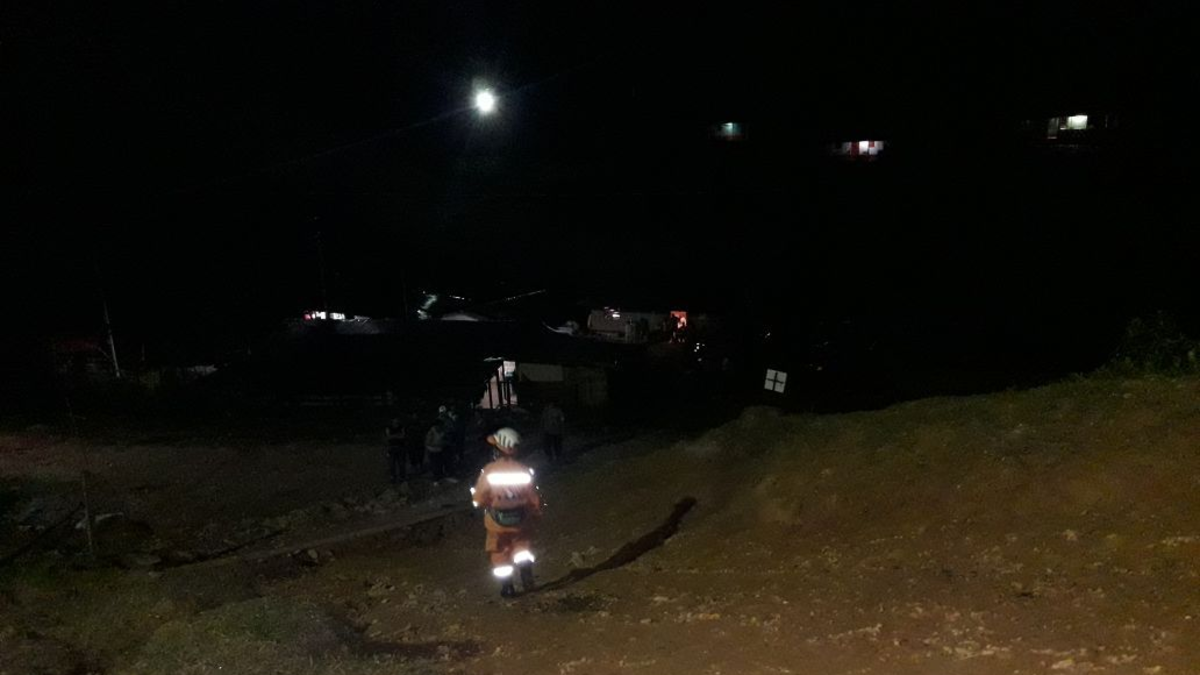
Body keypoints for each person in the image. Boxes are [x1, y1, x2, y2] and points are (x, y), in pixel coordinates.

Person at [471, 428, 541, 598]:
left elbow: (479, 498)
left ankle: (508, 588)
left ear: (498, 449)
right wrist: (536, 513)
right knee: (522, 547)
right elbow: (533, 498)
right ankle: (526, 576)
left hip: (496, 523)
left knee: (499, 553)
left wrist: (480, 503)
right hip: (521, 521)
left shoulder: (489, 471)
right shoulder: (523, 469)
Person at [425, 419, 457, 486]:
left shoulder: (442, 431)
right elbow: (428, 443)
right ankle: (436, 480)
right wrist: (438, 444)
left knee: (443, 464)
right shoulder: (431, 432)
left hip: (441, 450)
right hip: (433, 451)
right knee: (435, 466)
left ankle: (445, 476)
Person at [384, 417, 408, 484]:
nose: (395, 421)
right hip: (391, 448)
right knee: (392, 464)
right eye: (394, 420)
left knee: (401, 463)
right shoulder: (389, 428)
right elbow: (388, 437)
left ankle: (402, 477)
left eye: (397, 420)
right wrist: (397, 436)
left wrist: (393, 436)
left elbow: (403, 436)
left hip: (400, 447)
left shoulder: (401, 427)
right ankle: (393, 476)